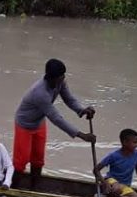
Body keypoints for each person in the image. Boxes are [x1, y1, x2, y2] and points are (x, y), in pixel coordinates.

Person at [13, 58, 96, 189]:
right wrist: (81, 135)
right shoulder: (40, 93)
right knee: (21, 162)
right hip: (24, 124)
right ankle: (13, 188)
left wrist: (82, 110)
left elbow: (69, 99)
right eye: (61, 76)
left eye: (63, 76)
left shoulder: (60, 82)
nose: (63, 78)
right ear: (51, 77)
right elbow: (56, 118)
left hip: (39, 123)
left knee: (38, 160)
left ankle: (34, 189)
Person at [94, 128, 137, 197]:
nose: (136, 145)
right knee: (117, 188)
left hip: (124, 185)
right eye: (134, 142)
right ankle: (110, 196)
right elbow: (96, 170)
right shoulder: (113, 156)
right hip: (111, 182)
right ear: (125, 142)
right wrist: (104, 183)